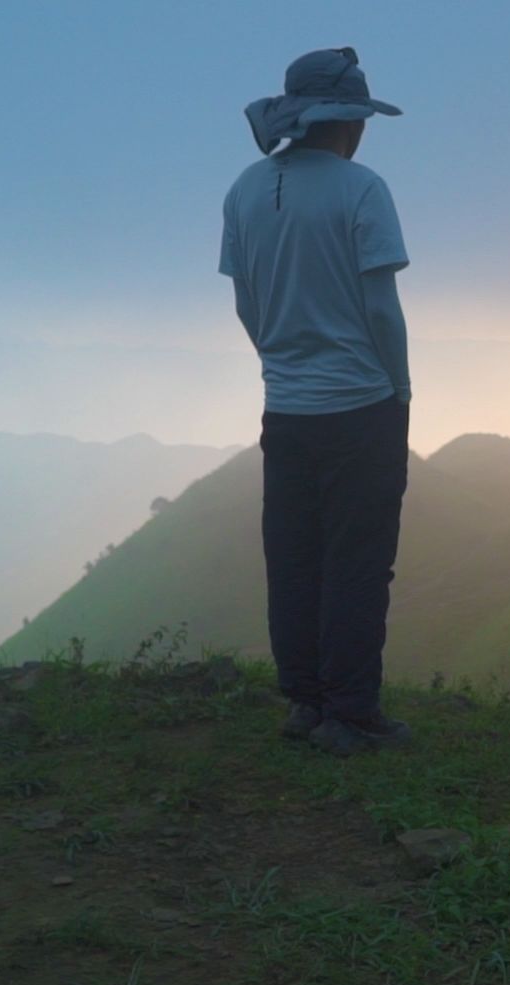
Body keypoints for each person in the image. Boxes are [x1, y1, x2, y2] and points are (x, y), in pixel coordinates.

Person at [220, 47, 414, 756]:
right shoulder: (362, 190)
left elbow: (246, 303)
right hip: (362, 404)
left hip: (286, 407)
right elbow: (381, 309)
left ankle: (303, 701)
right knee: (358, 561)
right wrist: (399, 388)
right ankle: (351, 713)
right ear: (349, 122)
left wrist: (280, 358)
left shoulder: (244, 190)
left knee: (294, 555)